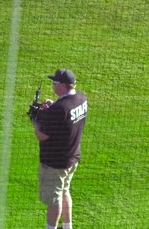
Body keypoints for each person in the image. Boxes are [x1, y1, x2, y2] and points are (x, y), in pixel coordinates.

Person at [31, 69, 88, 229]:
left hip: (55, 163)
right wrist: (54, 105)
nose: (53, 86)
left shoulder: (60, 109)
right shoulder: (81, 99)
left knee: (53, 199)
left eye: (54, 83)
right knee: (64, 190)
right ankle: (68, 227)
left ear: (63, 85)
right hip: (72, 157)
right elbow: (66, 113)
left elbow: (42, 135)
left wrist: (36, 123)